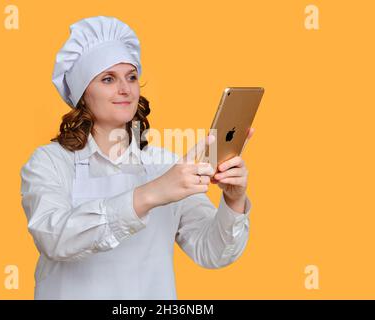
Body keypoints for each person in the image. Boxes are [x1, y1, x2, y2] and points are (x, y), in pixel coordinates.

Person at [20, 15, 254, 300]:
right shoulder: (49, 162)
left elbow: (212, 251)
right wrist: (151, 193)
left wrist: (232, 201)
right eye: (108, 79)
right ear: (83, 94)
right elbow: (53, 237)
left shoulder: (168, 166)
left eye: (131, 77)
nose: (125, 89)